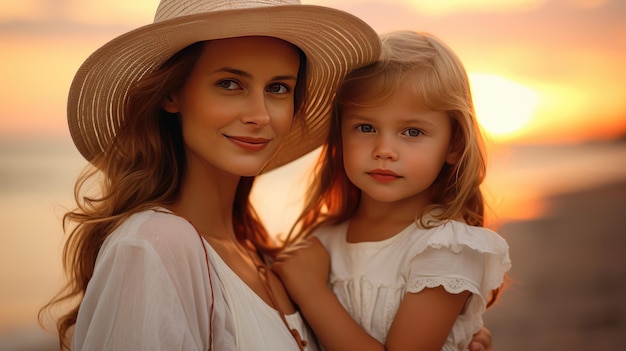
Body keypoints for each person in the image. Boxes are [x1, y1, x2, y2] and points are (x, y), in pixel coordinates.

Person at [38, 0, 381, 350]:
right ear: (172, 93)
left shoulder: (259, 252)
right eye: (230, 84)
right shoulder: (153, 246)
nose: (260, 115)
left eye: (278, 88)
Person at [272, 30, 512, 351]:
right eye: (366, 127)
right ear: (340, 135)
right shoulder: (322, 240)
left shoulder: (445, 249)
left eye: (412, 131)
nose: (384, 150)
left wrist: (313, 294)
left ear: (453, 145)